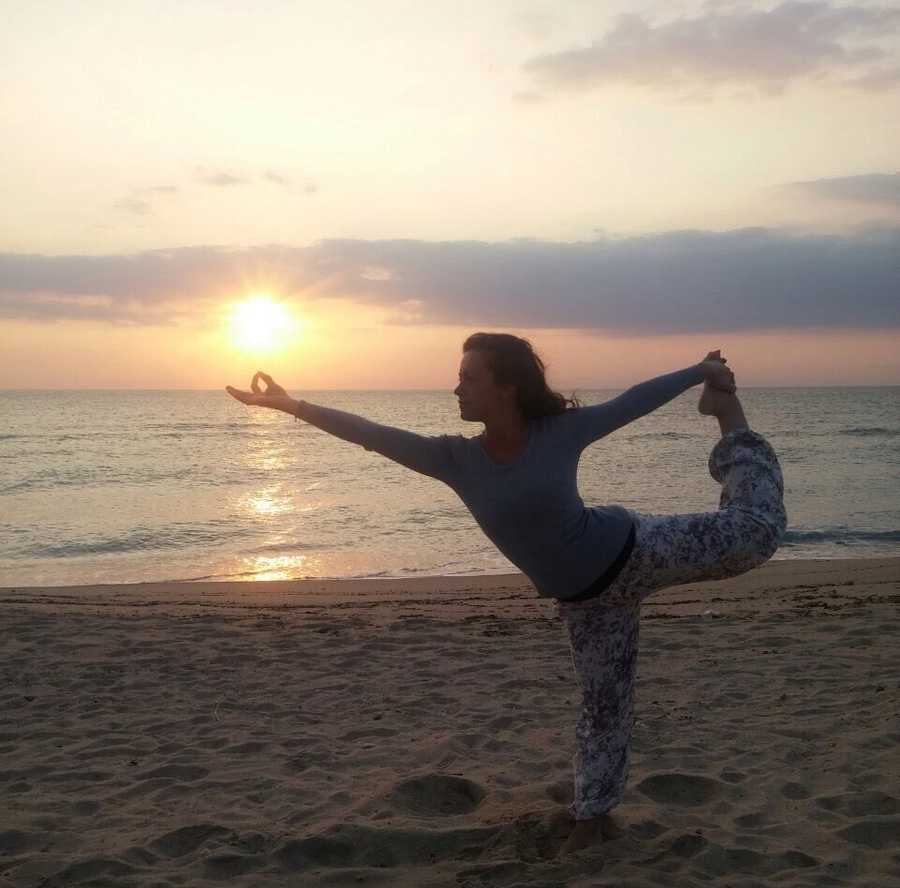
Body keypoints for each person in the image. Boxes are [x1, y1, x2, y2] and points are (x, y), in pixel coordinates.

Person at [226, 334, 786, 854]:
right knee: (603, 706)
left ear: (506, 387)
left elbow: (632, 402)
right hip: (588, 600)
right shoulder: (456, 460)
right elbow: (373, 435)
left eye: (469, 378)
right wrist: (292, 406)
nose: (457, 388)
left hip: (633, 549)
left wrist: (700, 373)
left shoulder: (559, 433)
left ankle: (728, 417)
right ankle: (592, 816)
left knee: (755, 534)